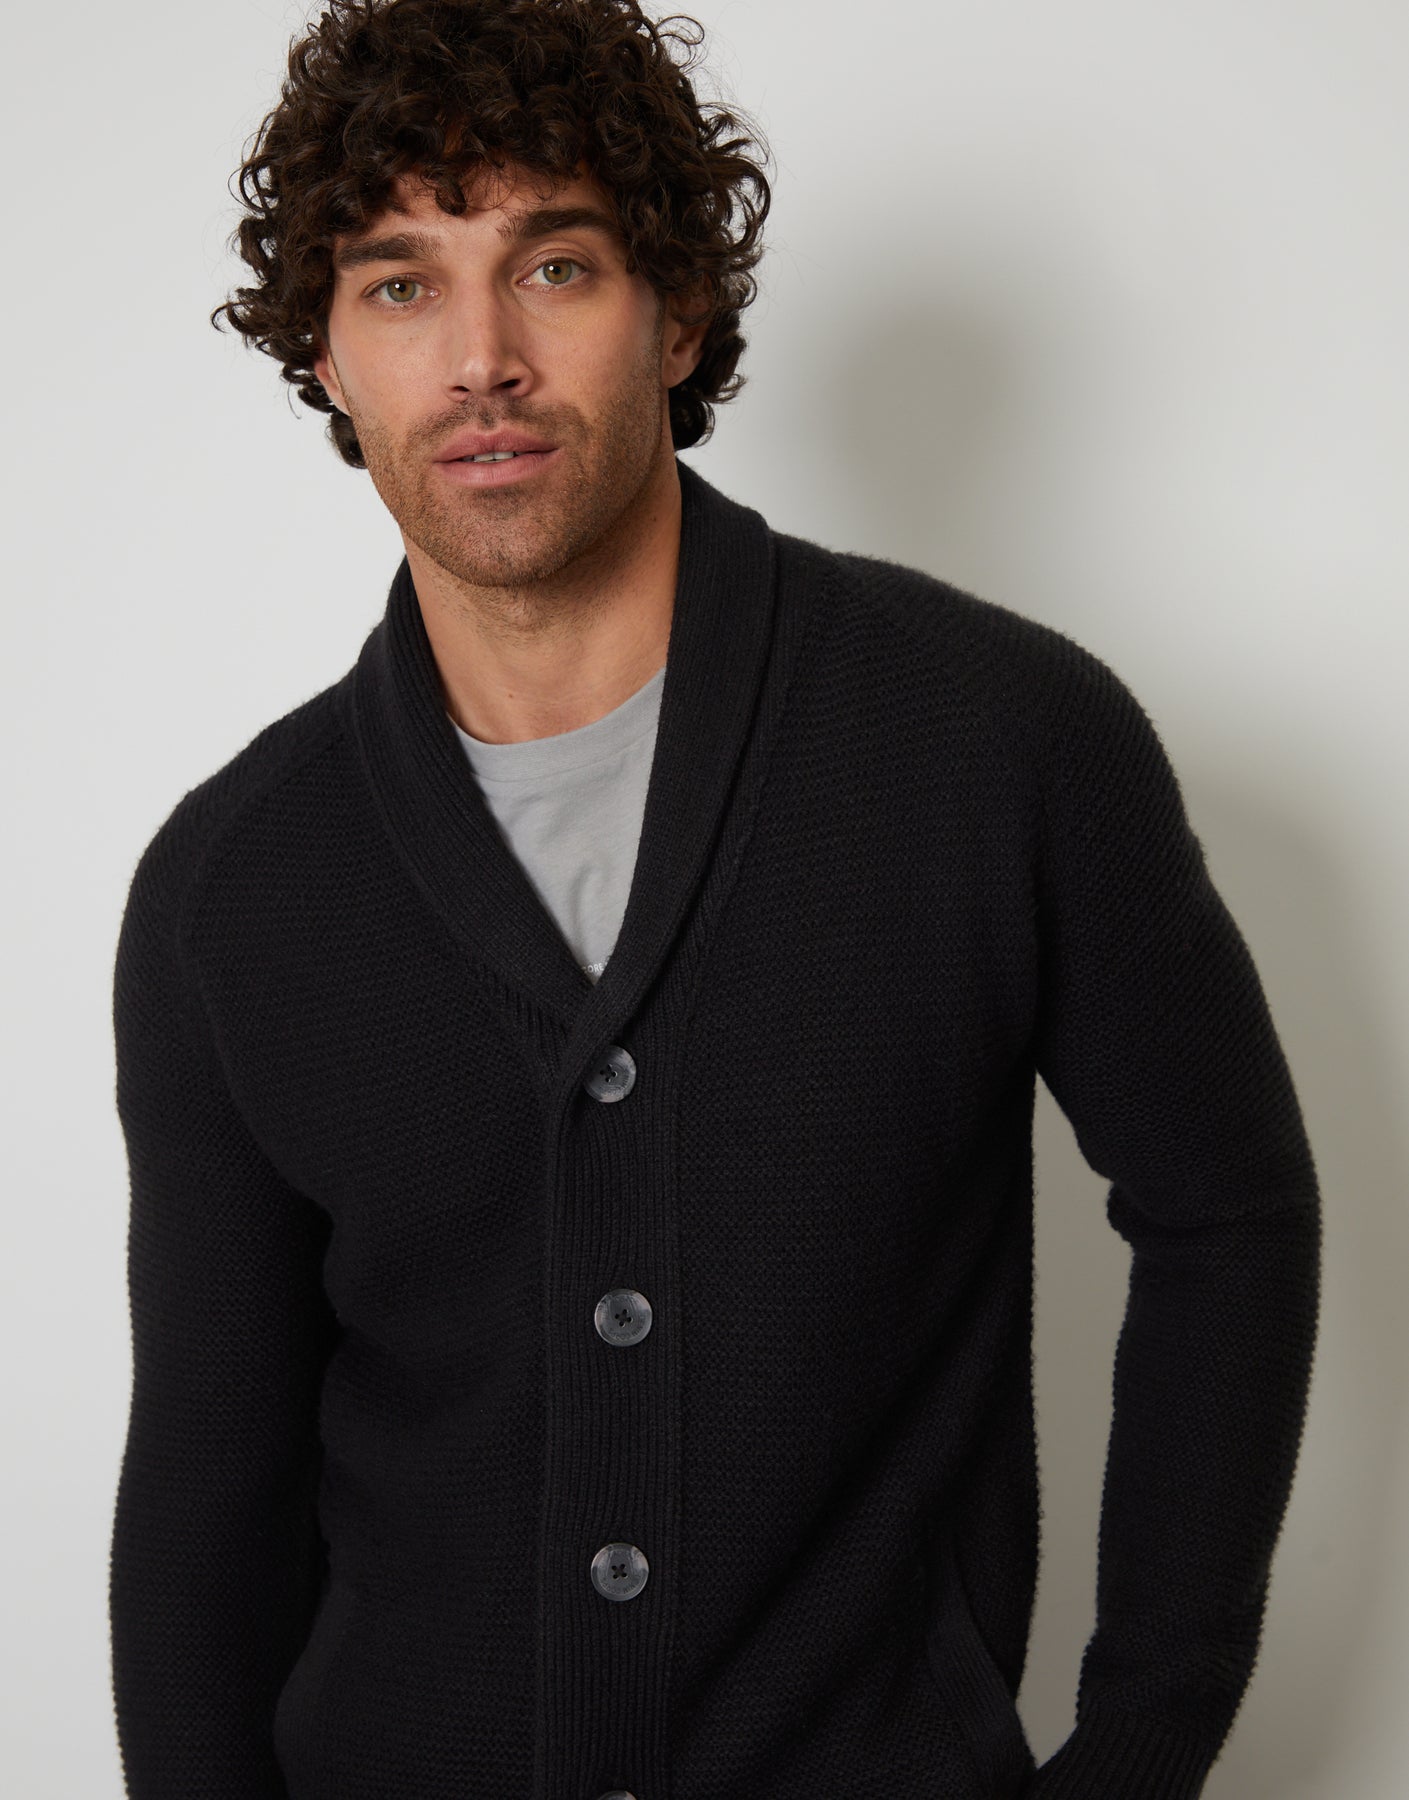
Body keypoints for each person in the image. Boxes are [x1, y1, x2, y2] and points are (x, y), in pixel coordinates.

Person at [107, 2, 1321, 1797]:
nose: (482, 359)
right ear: (330, 357)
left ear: (675, 313)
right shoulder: (230, 887)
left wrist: (1139, 1747)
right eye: (400, 285)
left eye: (556, 267)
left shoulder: (1002, 743)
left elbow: (1227, 1214)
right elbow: (208, 1482)